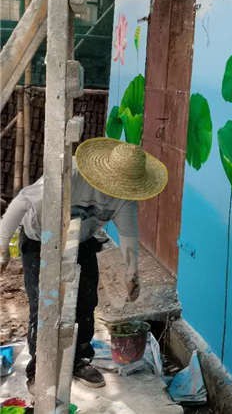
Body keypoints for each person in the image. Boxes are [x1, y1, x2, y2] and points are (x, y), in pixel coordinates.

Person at [0, 138, 167, 391]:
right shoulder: (70, 174)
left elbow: (129, 235)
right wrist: (2, 248)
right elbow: (21, 202)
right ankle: (39, 369)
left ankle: (79, 359)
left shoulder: (126, 196)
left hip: (81, 239)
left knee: (86, 300)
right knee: (44, 303)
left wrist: (132, 274)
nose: (120, 192)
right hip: (40, 238)